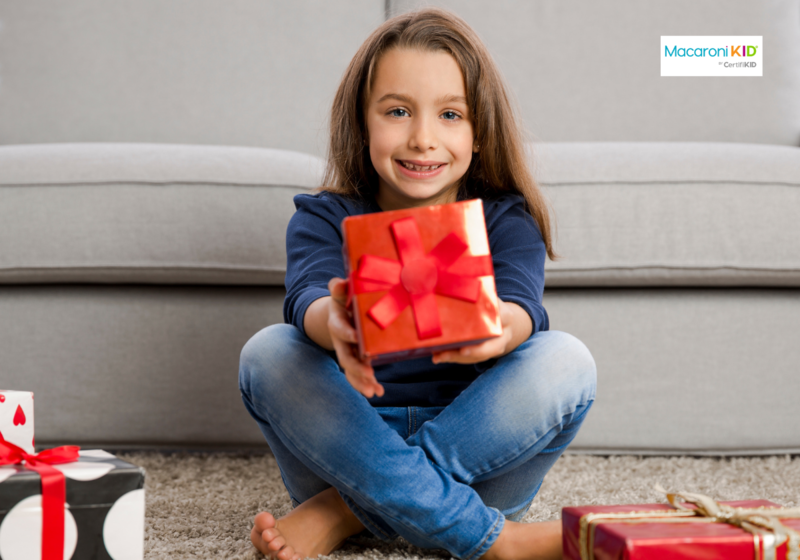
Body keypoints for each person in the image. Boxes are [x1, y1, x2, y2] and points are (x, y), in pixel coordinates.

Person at [239, 8, 596, 560]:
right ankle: (497, 542)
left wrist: (499, 331)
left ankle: (341, 512)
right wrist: (334, 323)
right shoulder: (324, 217)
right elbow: (306, 297)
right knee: (267, 351)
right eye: (398, 111)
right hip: (351, 442)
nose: (423, 138)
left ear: (481, 134)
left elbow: (522, 307)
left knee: (567, 358)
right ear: (363, 123)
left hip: (478, 459)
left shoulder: (505, 218)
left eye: (451, 114)